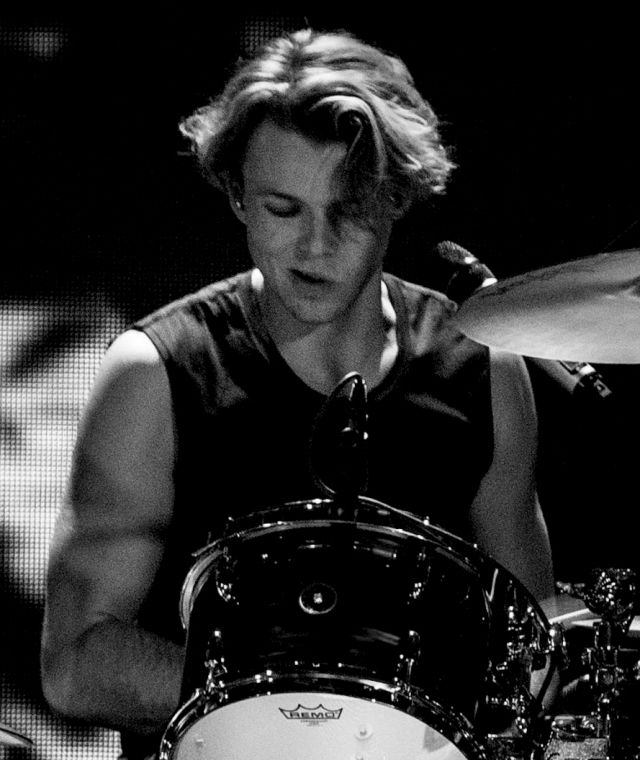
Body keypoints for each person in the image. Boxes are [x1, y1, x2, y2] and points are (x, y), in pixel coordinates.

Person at [40, 27, 556, 760]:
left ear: (399, 198)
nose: (314, 246)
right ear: (236, 197)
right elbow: (74, 662)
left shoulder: (486, 367)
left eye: (347, 211)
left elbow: (526, 649)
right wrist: (297, 715)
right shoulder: (153, 371)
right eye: (283, 210)